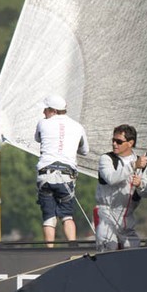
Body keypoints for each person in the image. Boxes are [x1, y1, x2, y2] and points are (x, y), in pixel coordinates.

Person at [34, 94, 89, 247]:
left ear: (52, 110)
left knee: (49, 216)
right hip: (66, 175)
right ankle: (72, 246)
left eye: (45, 109)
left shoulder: (42, 124)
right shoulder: (78, 127)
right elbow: (85, 150)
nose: (43, 113)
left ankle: (49, 249)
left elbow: (38, 139)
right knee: (67, 216)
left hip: (45, 174)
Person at [95, 124, 147, 251]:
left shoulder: (142, 163)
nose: (114, 144)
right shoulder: (106, 159)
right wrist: (133, 166)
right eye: (113, 140)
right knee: (108, 252)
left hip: (128, 219)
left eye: (119, 141)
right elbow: (111, 178)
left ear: (130, 143)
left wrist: (140, 185)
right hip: (107, 215)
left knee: (133, 255)